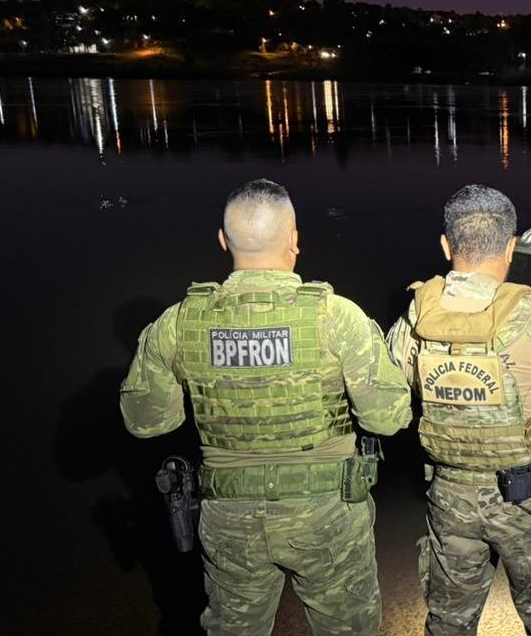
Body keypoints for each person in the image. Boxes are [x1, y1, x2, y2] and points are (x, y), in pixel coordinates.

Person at [119, 178, 412, 636]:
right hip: (327, 512)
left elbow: (146, 422)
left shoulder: (179, 323)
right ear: (294, 241)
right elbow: (388, 418)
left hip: (229, 516)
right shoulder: (338, 317)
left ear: (223, 242)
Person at [387, 184, 531, 636]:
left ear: (447, 245)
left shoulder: (416, 317)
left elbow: (393, 376)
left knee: (449, 622)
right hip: (524, 501)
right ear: (510, 247)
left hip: (449, 498)